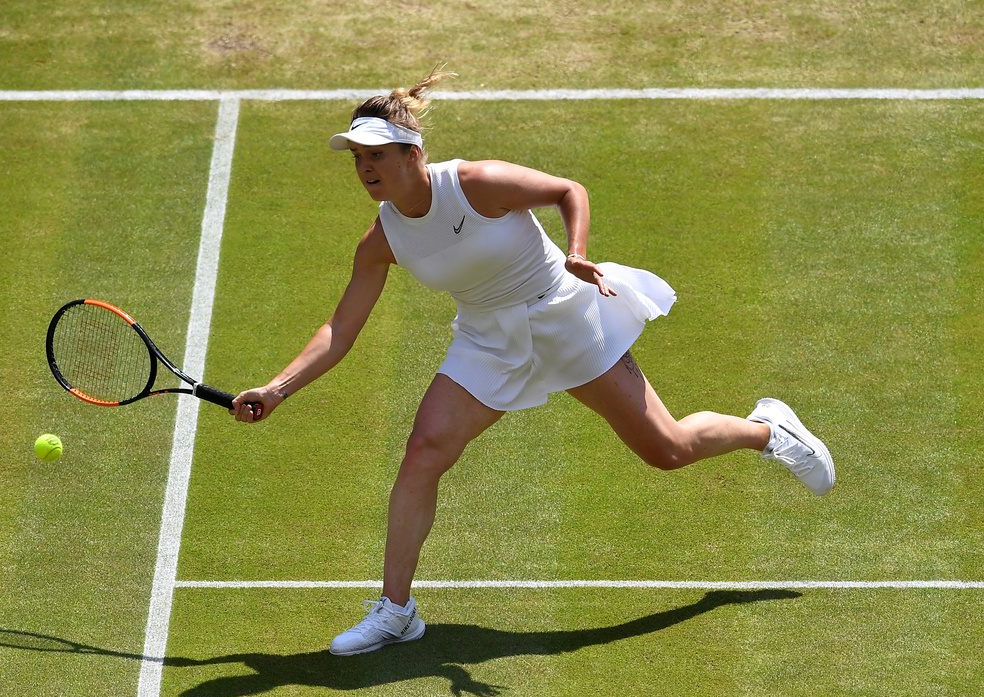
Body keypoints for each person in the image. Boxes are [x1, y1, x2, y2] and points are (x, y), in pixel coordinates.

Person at [230, 69, 834, 656]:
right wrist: (277, 388)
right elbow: (339, 329)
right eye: (358, 158)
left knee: (667, 449)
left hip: (564, 313)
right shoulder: (382, 239)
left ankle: (768, 430)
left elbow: (569, 190)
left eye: (376, 156)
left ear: (412, 154)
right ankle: (396, 611)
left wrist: (576, 251)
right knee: (424, 450)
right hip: (488, 340)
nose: (365, 168)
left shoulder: (475, 182)